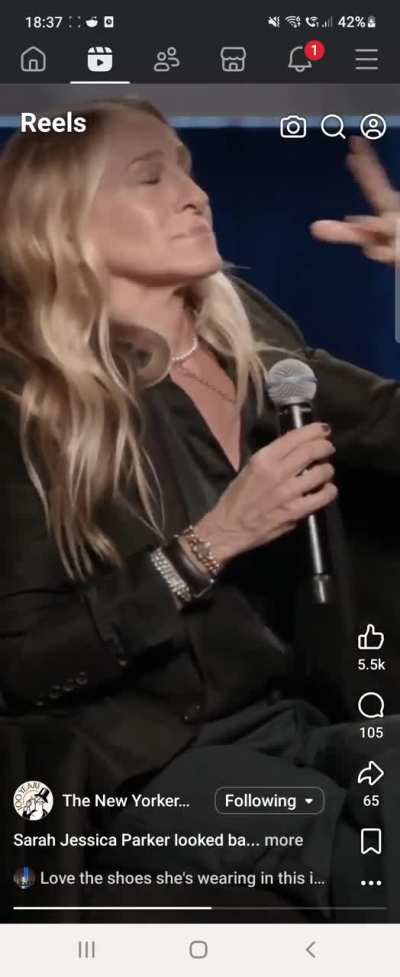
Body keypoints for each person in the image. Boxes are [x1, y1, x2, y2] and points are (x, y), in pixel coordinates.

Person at [0, 96, 399, 925]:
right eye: (150, 176)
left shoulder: (249, 341)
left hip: (290, 720)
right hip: (144, 760)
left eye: (186, 168)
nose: (195, 194)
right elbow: (27, 660)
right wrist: (210, 544)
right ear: (62, 218)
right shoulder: (24, 400)